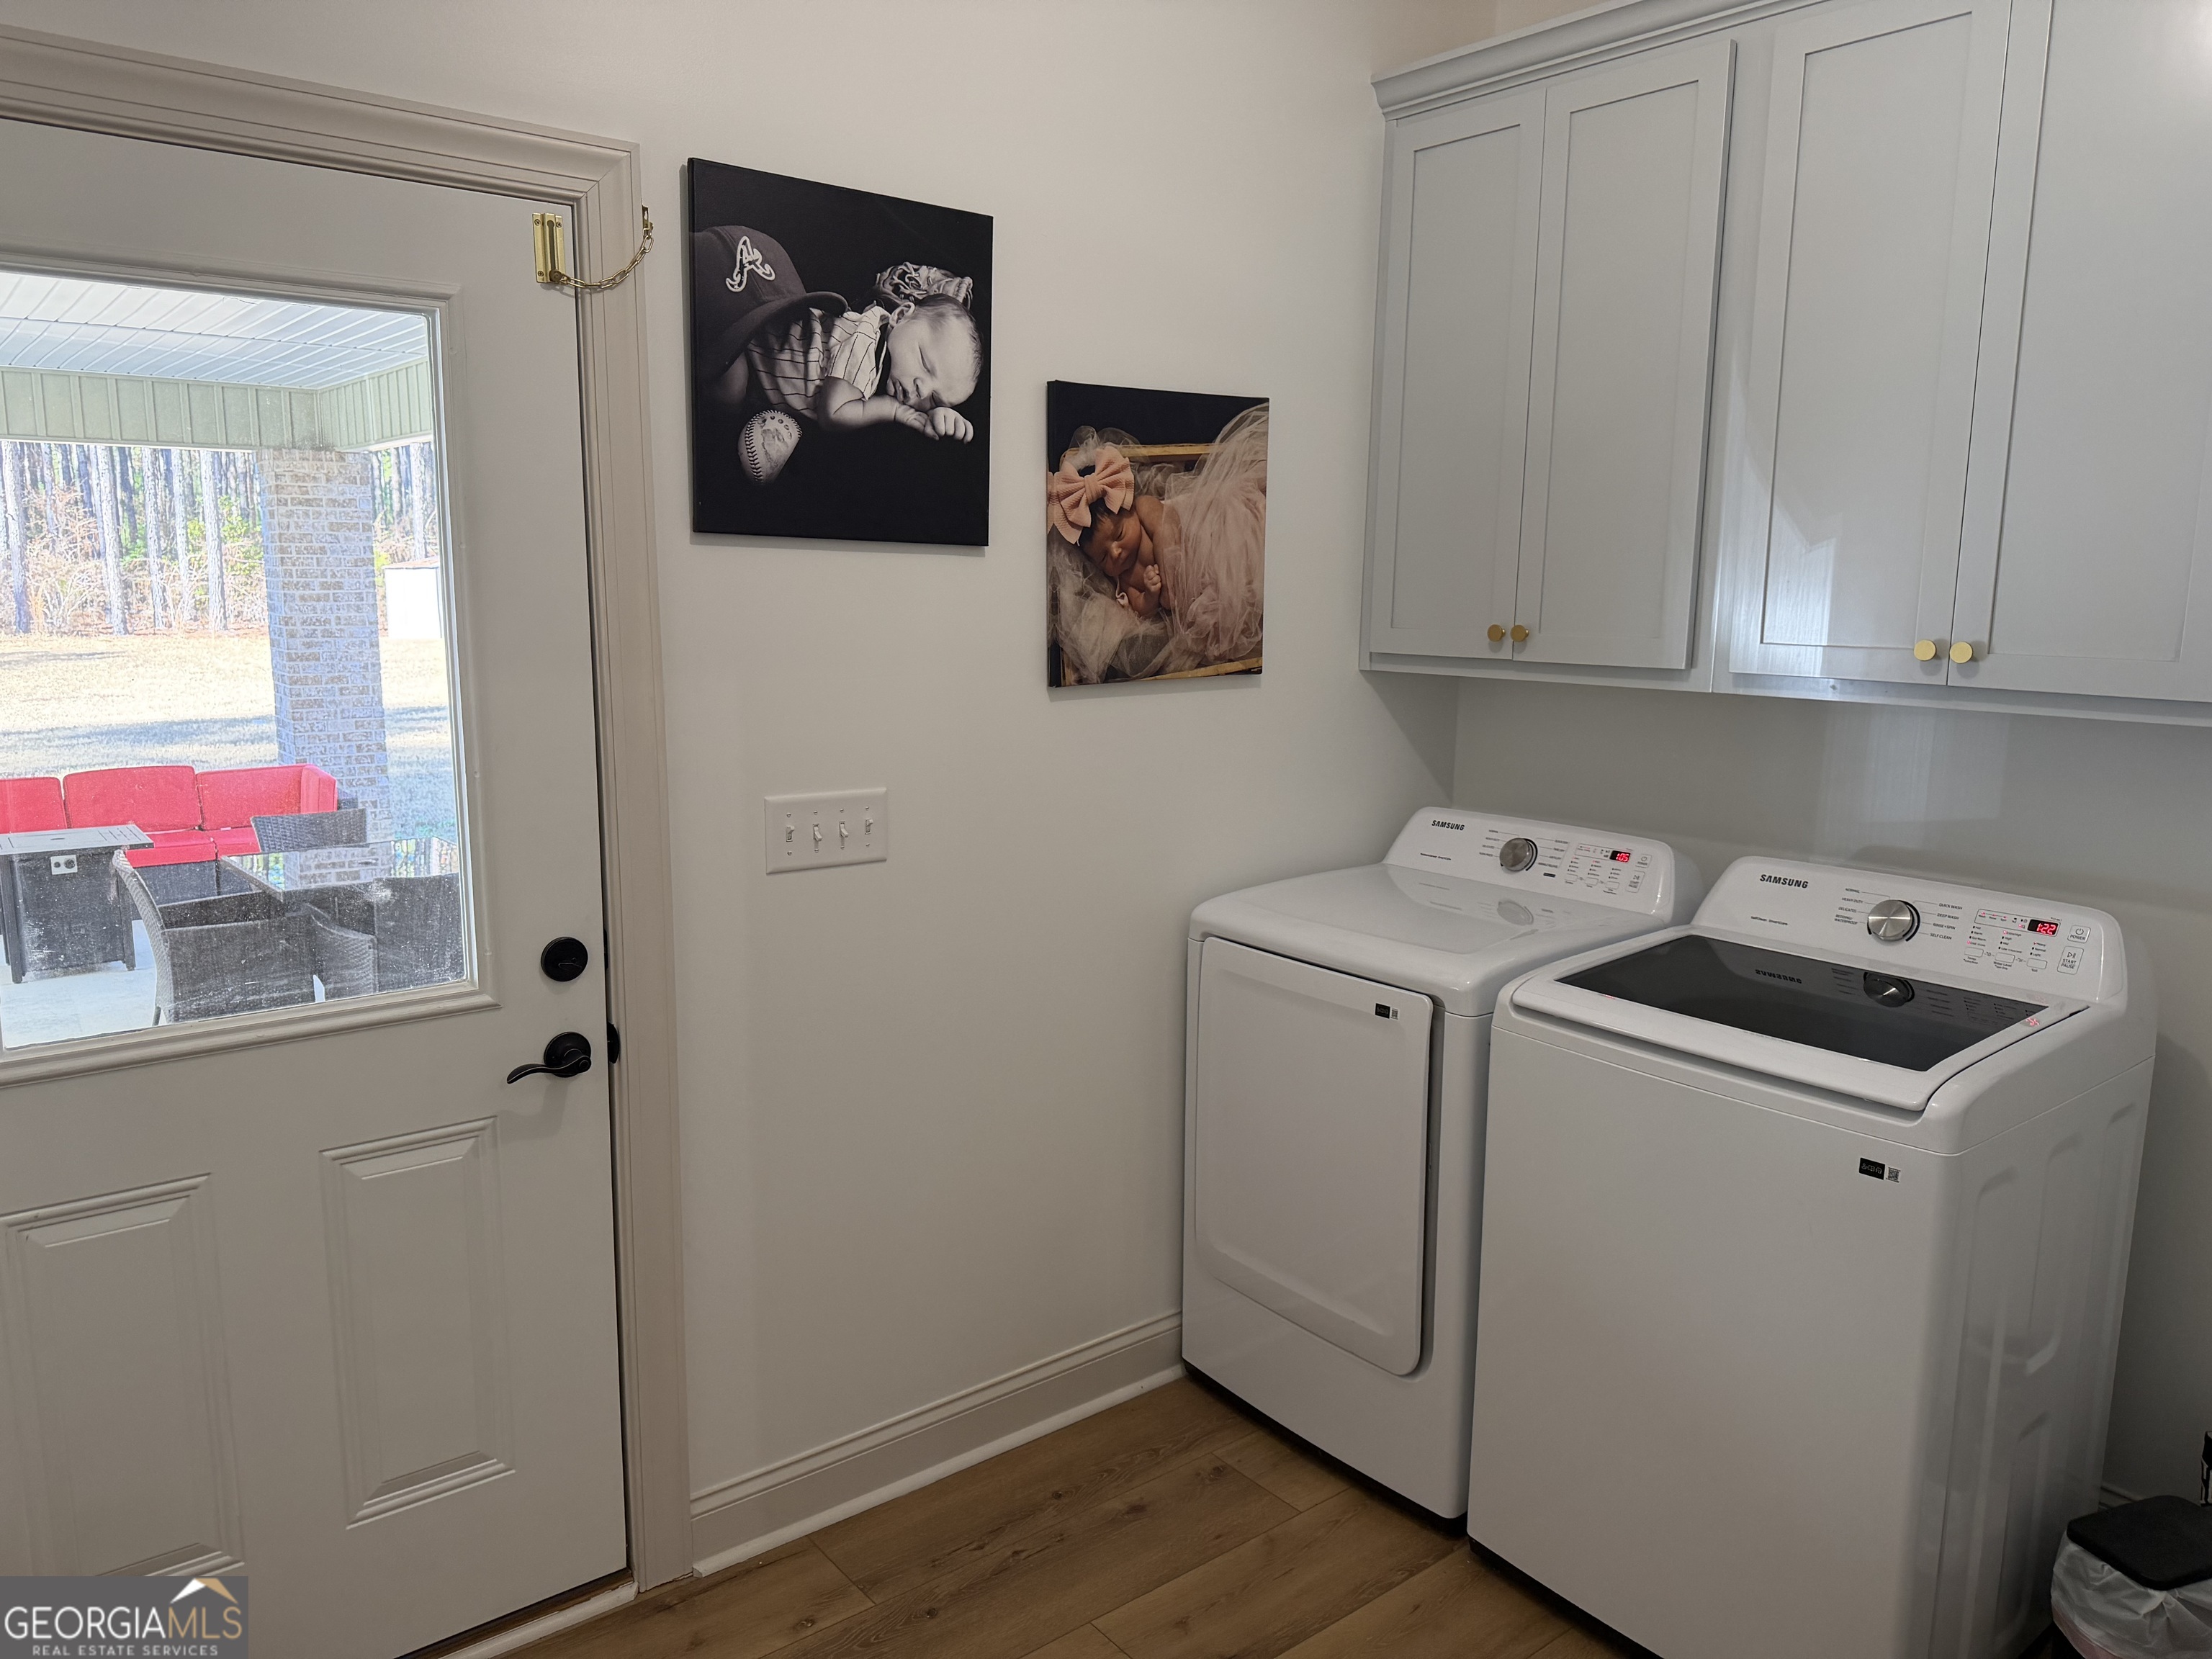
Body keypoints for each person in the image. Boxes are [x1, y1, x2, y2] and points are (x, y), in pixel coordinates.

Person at [691, 228, 982, 480]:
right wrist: (897, 412)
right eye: (925, 364)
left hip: (767, 375)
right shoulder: (866, 342)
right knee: (731, 388)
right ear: (900, 315)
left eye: (934, 398)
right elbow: (833, 414)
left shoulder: (894, 363)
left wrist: (938, 416)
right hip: (749, 347)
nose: (922, 390)